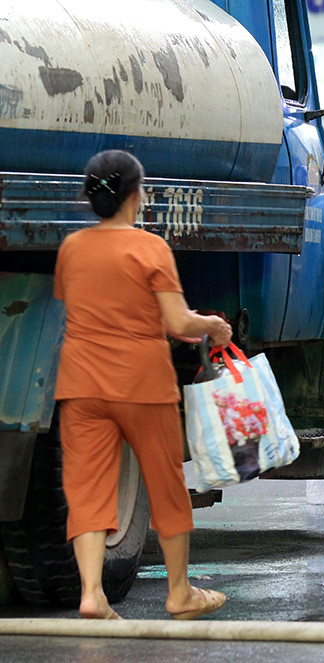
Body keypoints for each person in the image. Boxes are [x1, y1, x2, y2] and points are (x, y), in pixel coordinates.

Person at [55, 150, 231, 620]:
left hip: (80, 384)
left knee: (87, 487)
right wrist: (213, 325)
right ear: (136, 195)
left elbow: (76, 303)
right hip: (141, 384)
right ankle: (180, 593)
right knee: (165, 483)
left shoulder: (71, 248)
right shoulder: (151, 248)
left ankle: (92, 593)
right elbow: (178, 323)